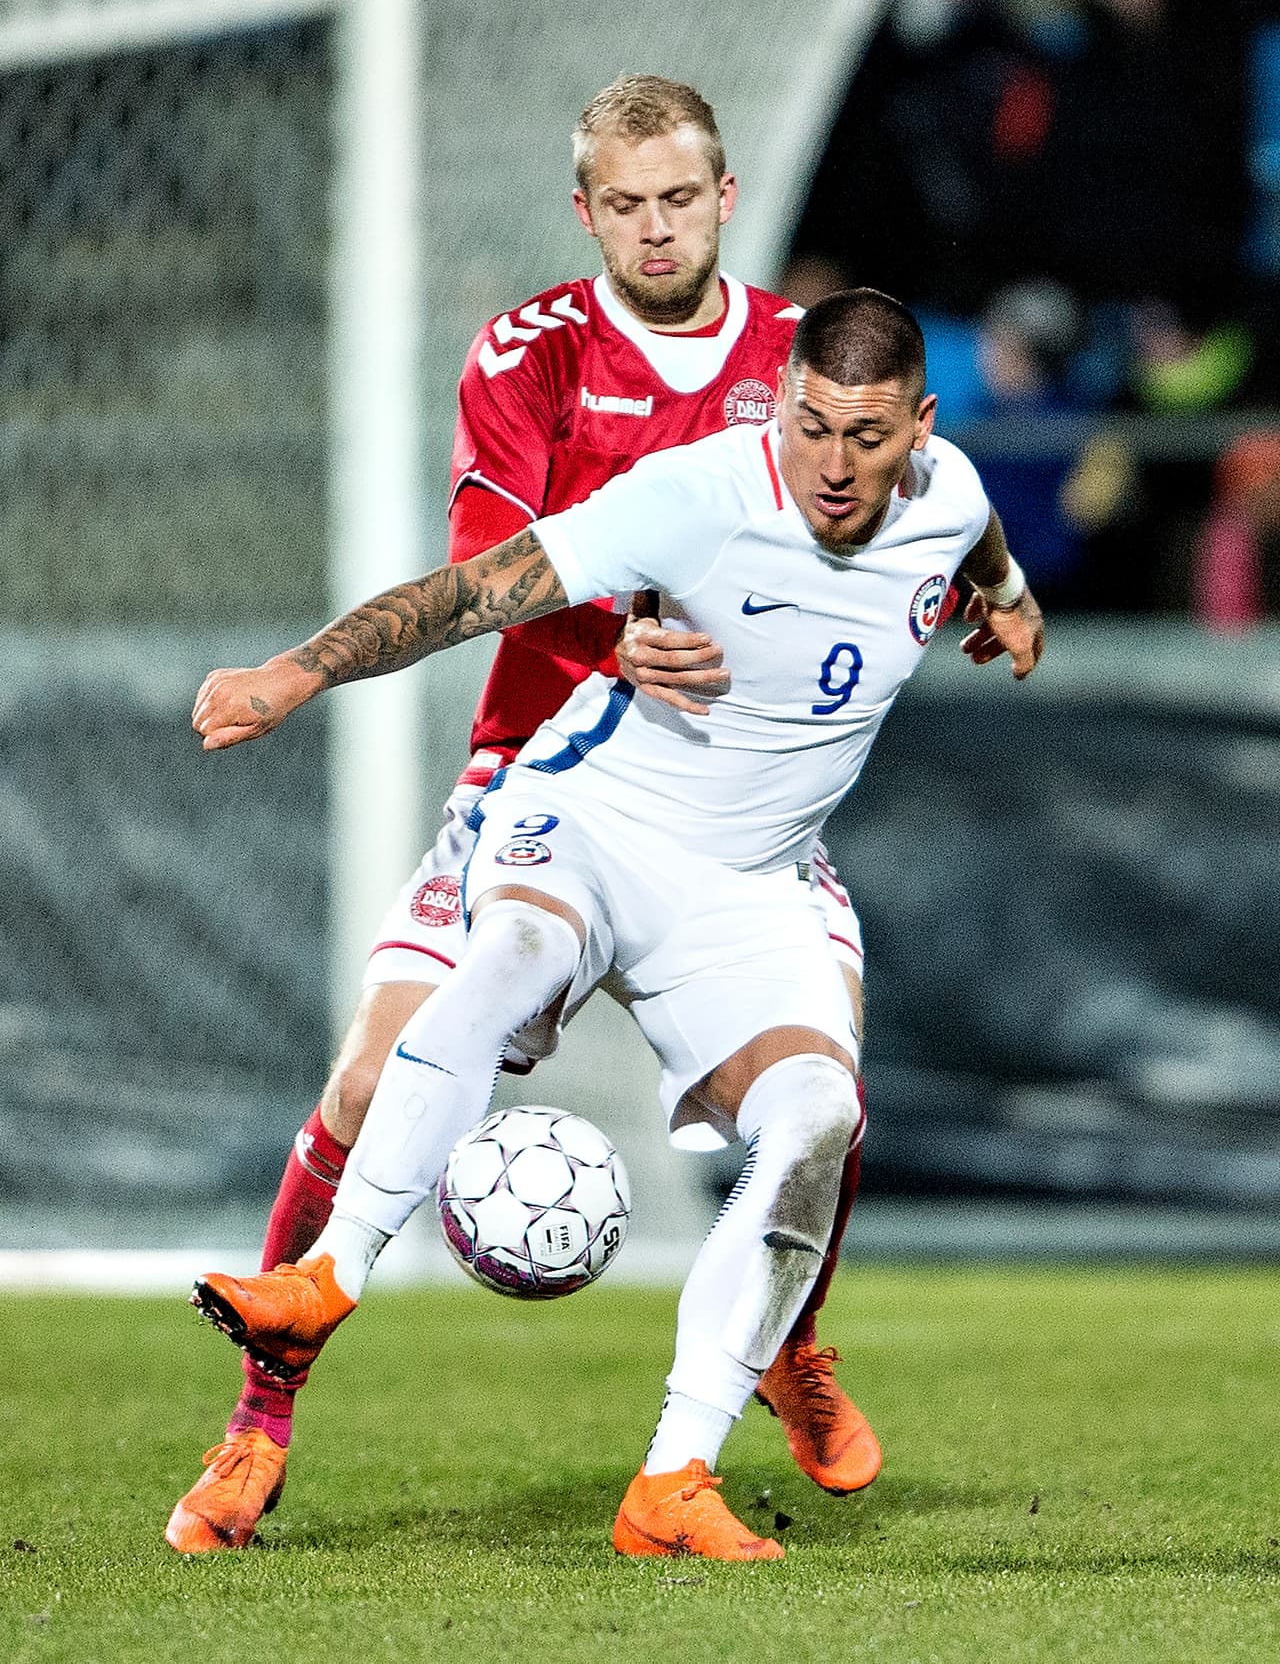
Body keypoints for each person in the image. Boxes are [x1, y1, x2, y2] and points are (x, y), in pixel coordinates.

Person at [187, 287, 1045, 1561]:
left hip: (748, 883)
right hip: (590, 819)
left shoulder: (948, 493)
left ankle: (672, 1483)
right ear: (782, 405)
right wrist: (297, 670)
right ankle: (327, 1278)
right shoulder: (696, 493)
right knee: (514, 951)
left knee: (819, 1116)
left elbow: (977, 548)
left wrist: (1013, 602)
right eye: (809, 426)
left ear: (917, 426)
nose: (832, 464)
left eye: (865, 438)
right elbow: (478, 591)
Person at [166, 75, 881, 1555]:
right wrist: (614, 633)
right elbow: (495, 562)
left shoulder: (795, 363)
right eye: (625, 204)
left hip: (730, 809)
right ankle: (259, 1420)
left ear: (726, 196)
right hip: (541, 772)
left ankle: (789, 1343)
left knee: (818, 1092)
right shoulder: (532, 352)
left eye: (680, 198)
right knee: (367, 1089)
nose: (656, 226)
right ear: (585, 211)